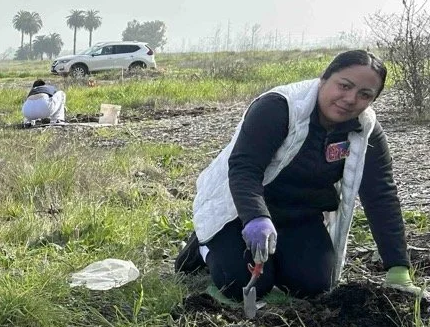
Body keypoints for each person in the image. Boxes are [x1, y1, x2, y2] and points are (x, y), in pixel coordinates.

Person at [181, 50, 423, 304]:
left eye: (365, 95)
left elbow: (380, 194)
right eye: (344, 86)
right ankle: (205, 245)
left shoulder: (365, 131)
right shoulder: (278, 107)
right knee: (243, 283)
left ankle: (275, 260)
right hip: (241, 212)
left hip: (298, 215)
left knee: (315, 285)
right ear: (324, 78)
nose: (350, 99)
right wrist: (255, 217)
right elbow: (244, 168)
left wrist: (398, 267)